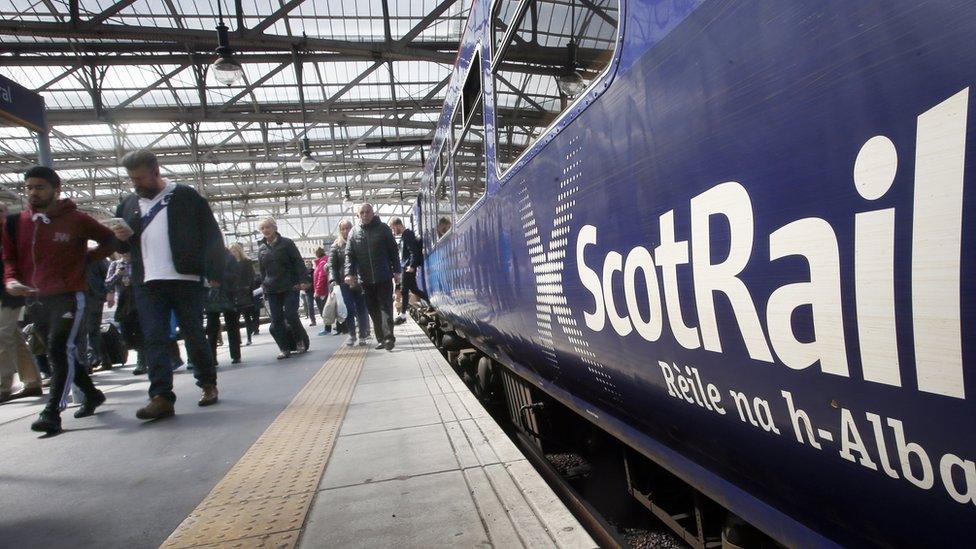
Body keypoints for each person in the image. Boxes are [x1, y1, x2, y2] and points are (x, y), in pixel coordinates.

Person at [108, 149, 223, 420]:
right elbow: (122, 246)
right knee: (154, 338)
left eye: (140, 178)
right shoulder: (128, 205)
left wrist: (215, 271)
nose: (136, 184)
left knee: (194, 333)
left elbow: (210, 233)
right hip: (147, 281)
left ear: (156, 171)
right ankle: (160, 396)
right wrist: (120, 238)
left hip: (186, 278)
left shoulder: (185, 196)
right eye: (132, 179)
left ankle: (208, 384)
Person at [3, 166, 114, 433]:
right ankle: (92, 393)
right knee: (62, 352)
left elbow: (108, 240)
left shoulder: (76, 219)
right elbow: (8, 258)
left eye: (39, 187)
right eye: (28, 187)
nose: (32, 192)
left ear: (56, 189)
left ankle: (52, 411)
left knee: (57, 349)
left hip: (69, 295)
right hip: (35, 299)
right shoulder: (16, 223)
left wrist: (84, 260)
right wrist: (11, 280)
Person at [0, 202, 43, 404]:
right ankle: (33, 381)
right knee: (14, 338)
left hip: (10, 294)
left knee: (2, 337)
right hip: (6, 294)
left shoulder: (12, 235)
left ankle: (3, 386)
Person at [345, 203, 401, 351]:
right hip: (365, 279)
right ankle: (381, 339)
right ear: (358, 215)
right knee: (373, 310)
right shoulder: (353, 233)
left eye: (367, 212)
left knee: (385, 307)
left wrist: (397, 271)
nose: (365, 215)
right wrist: (349, 273)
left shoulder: (383, 229)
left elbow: (393, 251)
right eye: (362, 212)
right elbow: (349, 256)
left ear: (373, 212)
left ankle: (389, 337)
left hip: (383, 275)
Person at [257, 218, 309, 359]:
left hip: (290, 286)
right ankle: (284, 348)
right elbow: (262, 270)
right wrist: (264, 285)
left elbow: (298, 262)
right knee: (277, 319)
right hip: (272, 288)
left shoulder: (287, 243)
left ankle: (299, 341)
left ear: (274, 228)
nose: (266, 230)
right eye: (263, 228)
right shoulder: (261, 248)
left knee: (291, 314)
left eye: (268, 227)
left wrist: (303, 280)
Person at [330, 220, 368, 346]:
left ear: (352, 228)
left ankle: (363, 334)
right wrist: (333, 280)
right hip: (344, 282)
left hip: (359, 281)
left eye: (348, 228)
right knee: (349, 309)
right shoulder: (336, 245)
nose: (346, 231)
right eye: (343, 229)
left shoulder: (359, 241)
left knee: (361, 309)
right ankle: (352, 334)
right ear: (340, 230)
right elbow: (332, 265)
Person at [389, 217, 430, 325]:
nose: (394, 231)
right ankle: (431, 303)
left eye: (393, 229)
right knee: (414, 289)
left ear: (397, 225)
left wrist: (412, 266)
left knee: (404, 290)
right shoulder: (404, 236)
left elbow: (413, 251)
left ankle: (402, 316)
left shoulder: (408, 235)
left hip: (407, 267)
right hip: (406, 266)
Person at [206, 248, 243, 365]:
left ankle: (236, 355)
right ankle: (212, 357)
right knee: (212, 326)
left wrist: (218, 278)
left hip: (227, 294)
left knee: (231, 325)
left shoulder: (229, 257)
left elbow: (236, 276)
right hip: (212, 295)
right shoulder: (206, 256)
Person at [83, 257, 111, 370]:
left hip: (94, 297)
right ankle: (104, 359)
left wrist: (109, 291)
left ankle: (93, 359)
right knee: (91, 329)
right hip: (83, 296)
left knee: (91, 328)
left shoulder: (95, 256)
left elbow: (108, 274)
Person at [229, 244, 259, 345]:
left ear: (239, 251)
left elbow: (251, 276)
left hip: (244, 292)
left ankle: (249, 338)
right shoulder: (229, 263)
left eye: (235, 251)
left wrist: (248, 287)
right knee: (235, 318)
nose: (233, 253)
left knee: (247, 316)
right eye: (231, 251)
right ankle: (238, 339)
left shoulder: (246, 262)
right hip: (234, 292)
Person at [312, 246, 332, 336]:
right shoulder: (322, 262)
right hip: (325, 290)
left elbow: (321, 278)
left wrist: (318, 291)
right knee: (328, 309)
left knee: (325, 310)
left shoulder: (322, 262)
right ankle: (332, 327)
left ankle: (327, 329)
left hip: (323, 291)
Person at [302, 260, 317, 328]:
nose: (307, 265)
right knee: (310, 306)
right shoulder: (303, 273)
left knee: (320, 305)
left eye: (308, 263)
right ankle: (313, 321)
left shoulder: (314, 271)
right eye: (306, 263)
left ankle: (325, 318)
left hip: (315, 290)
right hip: (308, 291)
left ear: (311, 264)